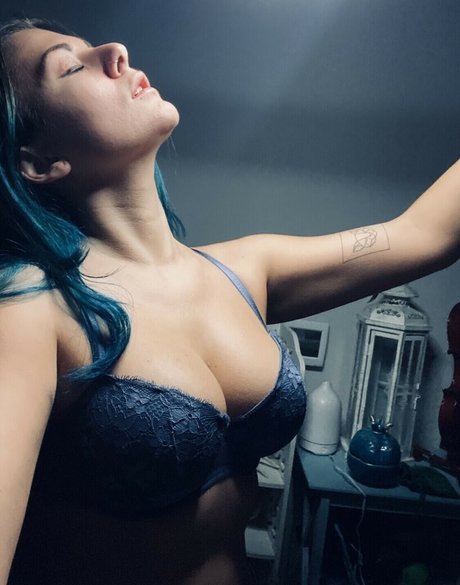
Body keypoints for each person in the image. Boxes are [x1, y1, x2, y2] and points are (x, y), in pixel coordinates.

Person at [0, 16, 458, 585]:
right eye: (71, 67)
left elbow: (426, 236)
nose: (115, 50)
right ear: (39, 161)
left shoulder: (245, 269)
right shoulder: (30, 308)